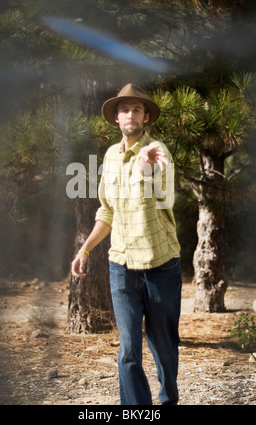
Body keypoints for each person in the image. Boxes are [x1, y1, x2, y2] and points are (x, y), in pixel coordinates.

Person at [71, 84, 181, 405]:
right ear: (117, 119)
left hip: (159, 265)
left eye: (136, 109)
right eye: (124, 110)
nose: (130, 115)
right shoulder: (111, 156)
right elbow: (107, 210)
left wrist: (150, 169)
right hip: (121, 265)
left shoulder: (158, 150)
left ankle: (168, 401)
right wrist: (85, 248)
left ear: (146, 117)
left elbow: (166, 195)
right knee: (129, 349)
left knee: (163, 347)